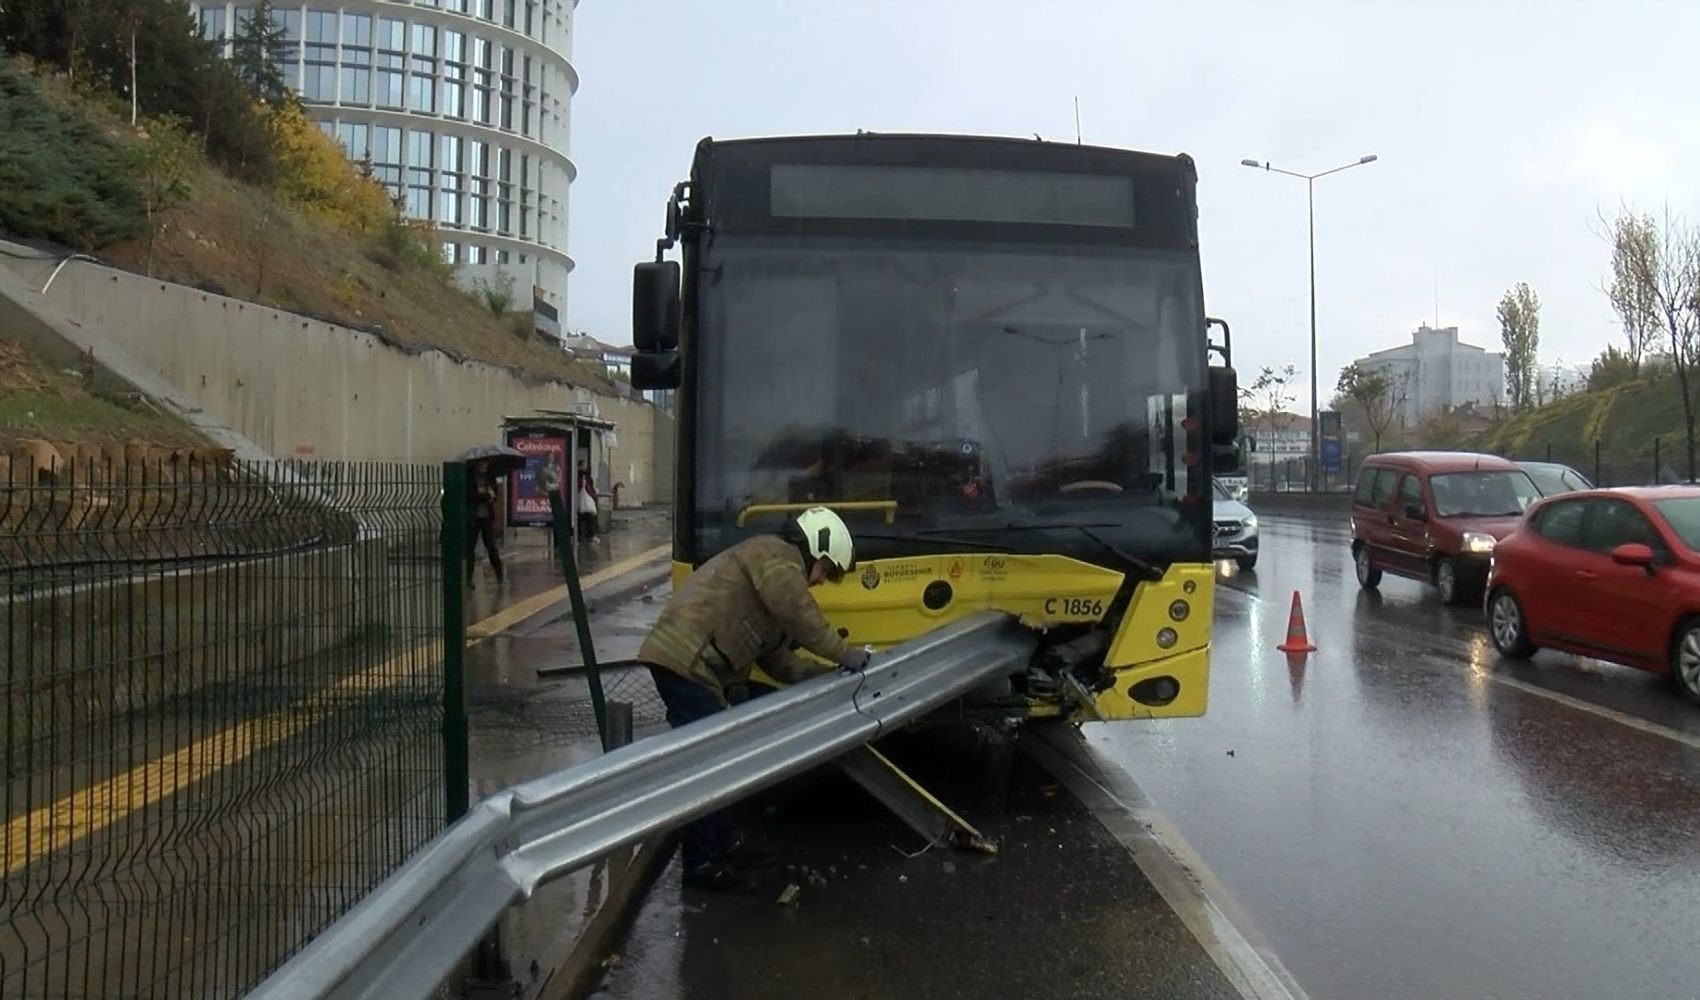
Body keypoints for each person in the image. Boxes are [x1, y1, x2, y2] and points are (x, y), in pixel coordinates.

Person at [637, 506, 871, 893]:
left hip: (697, 667)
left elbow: (780, 662)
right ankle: (702, 864)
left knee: (724, 759)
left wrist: (827, 676)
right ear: (816, 547)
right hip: (684, 660)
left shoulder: (771, 583)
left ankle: (724, 846)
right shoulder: (775, 556)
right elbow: (799, 611)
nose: (819, 582)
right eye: (825, 570)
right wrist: (843, 654)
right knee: (708, 764)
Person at [465, 460, 504, 588]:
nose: (484, 466)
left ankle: (499, 573)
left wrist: (488, 494)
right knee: (470, 547)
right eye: (481, 464)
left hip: (487, 515)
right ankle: (468, 577)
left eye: (486, 464)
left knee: (491, 546)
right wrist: (484, 495)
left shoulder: (489, 477)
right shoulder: (470, 478)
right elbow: (470, 495)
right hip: (474, 516)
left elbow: (494, 494)